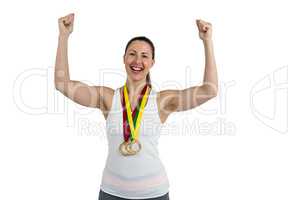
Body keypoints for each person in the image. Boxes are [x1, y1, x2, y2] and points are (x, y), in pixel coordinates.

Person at [55, 13, 218, 200]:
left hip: (154, 194)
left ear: (152, 63)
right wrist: (63, 36)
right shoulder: (107, 98)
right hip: (111, 193)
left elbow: (209, 90)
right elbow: (62, 84)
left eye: (144, 56)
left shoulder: (162, 101)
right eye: (132, 54)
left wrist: (207, 41)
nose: (137, 61)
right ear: (124, 58)